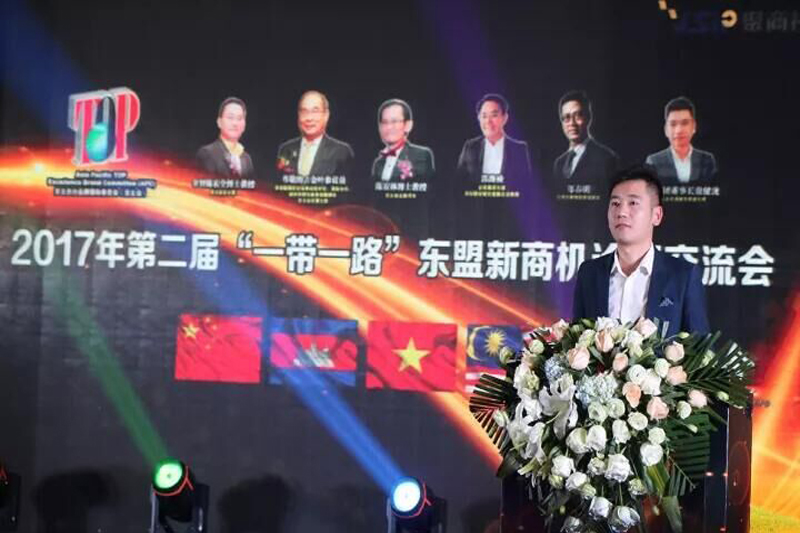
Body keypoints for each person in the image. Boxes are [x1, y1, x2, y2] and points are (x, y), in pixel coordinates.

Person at [572, 165, 709, 336]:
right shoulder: (590, 273)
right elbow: (577, 339)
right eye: (615, 203)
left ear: (656, 215)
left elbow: (699, 347)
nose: (621, 212)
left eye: (633, 203)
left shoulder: (683, 276)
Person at [456, 93, 532, 186]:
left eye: (494, 115)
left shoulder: (519, 149)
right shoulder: (470, 147)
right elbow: (459, 182)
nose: (488, 121)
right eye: (484, 116)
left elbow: (526, 185)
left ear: (505, 118)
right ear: (479, 119)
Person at [276, 90, 354, 178]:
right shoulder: (286, 149)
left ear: (326, 115)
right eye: (304, 111)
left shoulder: (342, 152)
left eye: (315, 111)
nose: (309, 118)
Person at [645, 96, 717, 184]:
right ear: (666, 130)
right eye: (673, 124)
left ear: (694, 126)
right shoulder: (654, 162)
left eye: (685, 123)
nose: (679, 130)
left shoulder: (706, 160)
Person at [552, 90, 618, 184]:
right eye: (566, 118)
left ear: (588, 118)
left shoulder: (606, 159)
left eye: (578, 116)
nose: (572, 123)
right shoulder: (559, 164)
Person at [371, 99, 434, 182]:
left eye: (394, 121)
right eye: (384, 122)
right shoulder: (378, 163)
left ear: (408, 125)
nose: (389, 127)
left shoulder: (421, 155)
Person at [196, 97, 255, 179]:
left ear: (244, 125)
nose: (235, 123)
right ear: (219, 122)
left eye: (239, 118)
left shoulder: (246, 159)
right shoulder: (207, 153)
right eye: (230, 117)